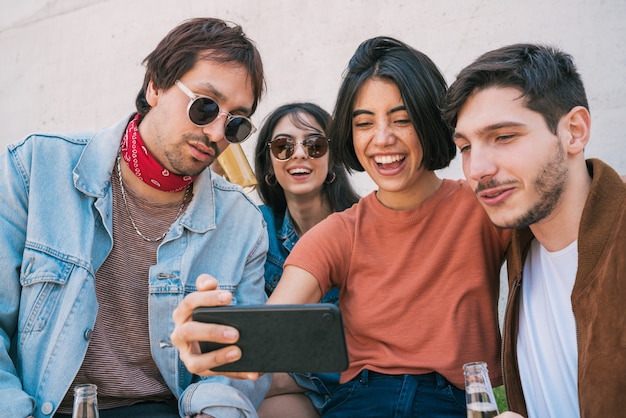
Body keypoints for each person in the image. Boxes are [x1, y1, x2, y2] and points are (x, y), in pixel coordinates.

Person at [172, 36, 511, 418]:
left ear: (430, 120)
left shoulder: (483, 205)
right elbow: (272, 324)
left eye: (401, 119)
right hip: (361, 401)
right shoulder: (338, 232)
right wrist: (208, 338)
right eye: (364, 123)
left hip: (455, 402)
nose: (382, 139)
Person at [0, 17, 271, 418]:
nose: (216, 133)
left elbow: (236, 369)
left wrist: (214, 410)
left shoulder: (242, 223)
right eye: (206, 106)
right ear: (156, 87)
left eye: (235, 123)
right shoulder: (35, 168)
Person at [442, 43, 626, 417]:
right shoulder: (521, 243)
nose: (476, 168)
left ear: (574, 131)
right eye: (464, 147)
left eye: (504, 137)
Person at [253, 103, 360, 417]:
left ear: (333, 158)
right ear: (269, 166)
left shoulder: (365, 226)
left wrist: (285, 377)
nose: (299, 154)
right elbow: (260, 337)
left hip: (361, 386)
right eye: (283, 146)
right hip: (297, 387)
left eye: (315, 145)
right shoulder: (259, 229)